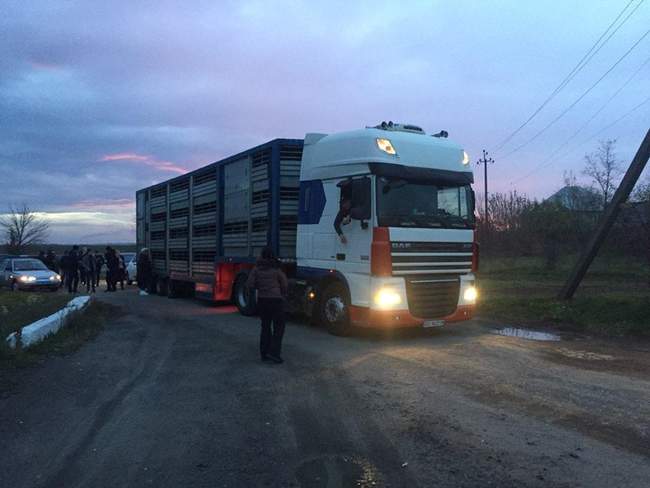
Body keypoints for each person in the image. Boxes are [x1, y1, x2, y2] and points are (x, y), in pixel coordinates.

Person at [246, 246, 288, 364]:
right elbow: (284, 283)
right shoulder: (276, 268)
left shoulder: (256, 269)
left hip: (263, 301)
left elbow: (250, 284)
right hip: (276, 301)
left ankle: (264, 353)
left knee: (265, 327)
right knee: (279, 327)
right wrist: (282, 294)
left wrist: (259, 287)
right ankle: (274, 353)